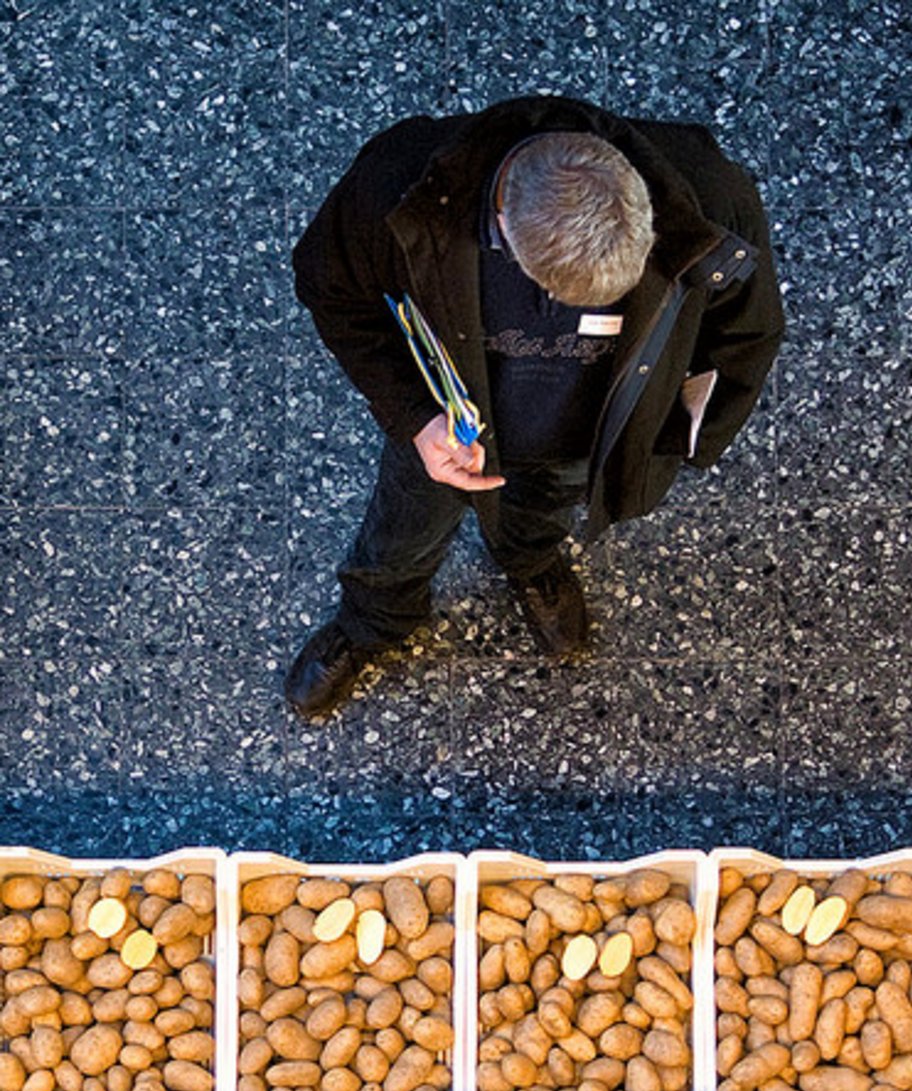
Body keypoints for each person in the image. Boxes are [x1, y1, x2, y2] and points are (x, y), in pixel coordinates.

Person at [287, 93, 784, 716]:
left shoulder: (710, 194)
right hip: (449, 426)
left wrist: (685, 443)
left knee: (542, 512)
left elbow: (748, 335)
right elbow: (331, 289)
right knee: (403, 530)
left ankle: (530, 562)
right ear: (502, 220)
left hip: (585, 438)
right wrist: (416, 418)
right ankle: (371, 621)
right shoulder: (398, 183)